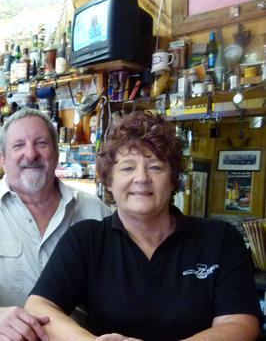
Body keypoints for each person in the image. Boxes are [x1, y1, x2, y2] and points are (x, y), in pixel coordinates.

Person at [26, 111, 261, 341]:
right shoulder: (87, 239)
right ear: (109, 181)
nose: (141, 178)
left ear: (173, 179)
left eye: (156, 167)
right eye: (127, 168)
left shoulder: (218, 239)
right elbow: (38, 306)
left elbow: (240, 323)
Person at [0, 108, 112, 340]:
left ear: (56, 153)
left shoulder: (95, 211)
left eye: (41, 143)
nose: (31, 154)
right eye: (18, 145)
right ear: (2, 159)